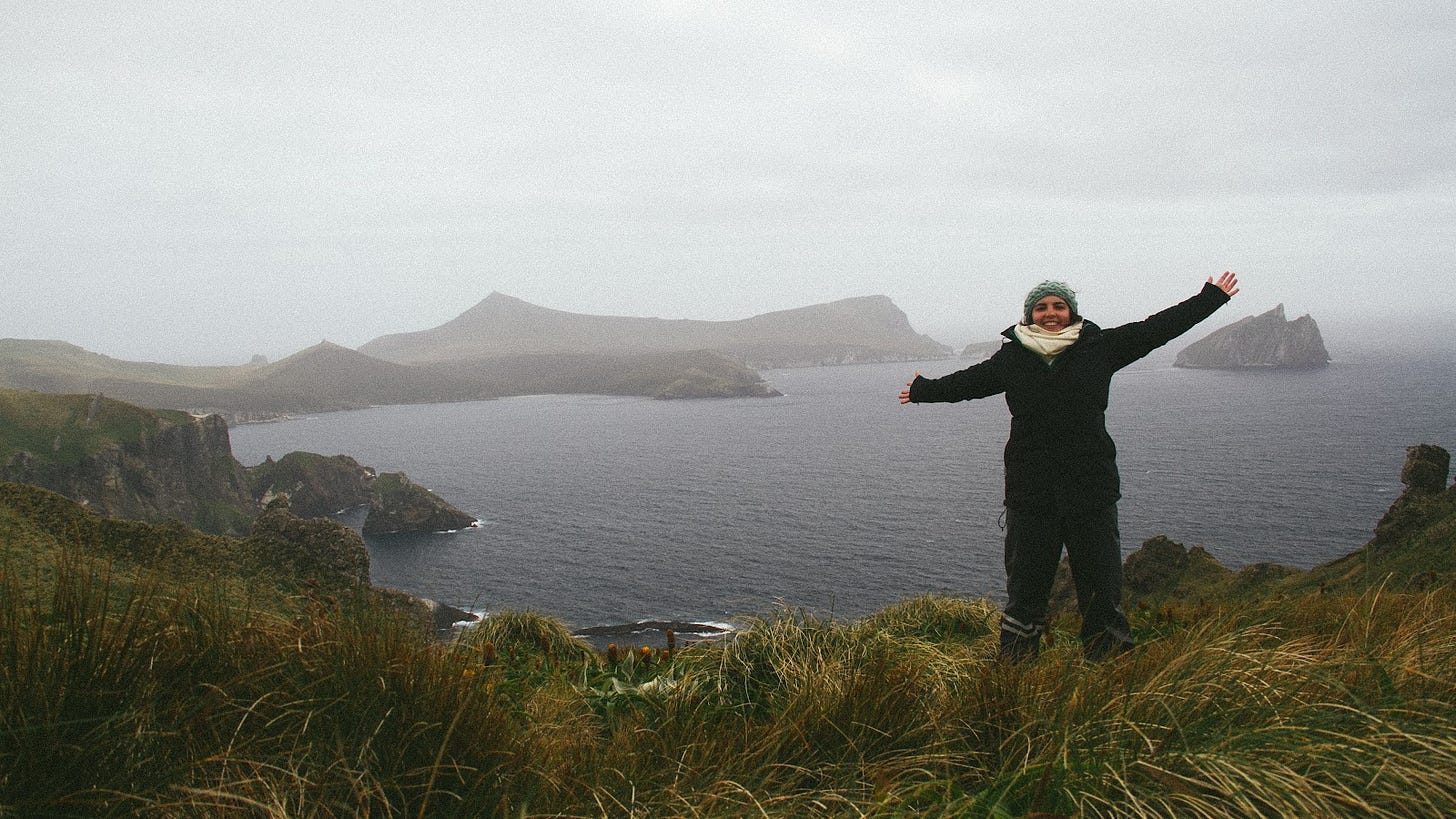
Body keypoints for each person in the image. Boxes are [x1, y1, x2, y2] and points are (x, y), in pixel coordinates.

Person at [899, 272, 1240, 661]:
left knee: (1101, 592)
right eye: (1041, 307)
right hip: (1031, 495)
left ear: (1071, 312)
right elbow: (968, 384)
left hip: (1091, 491)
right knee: (1026, 593)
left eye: (1058, 306)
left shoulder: (1100, 347)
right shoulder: (1013, 358)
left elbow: (1156, 329)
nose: (1050, 313)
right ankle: (1015, 675)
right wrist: (925, 390)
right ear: (1028, 316)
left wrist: (1209, 299)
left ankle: (1110, 672)